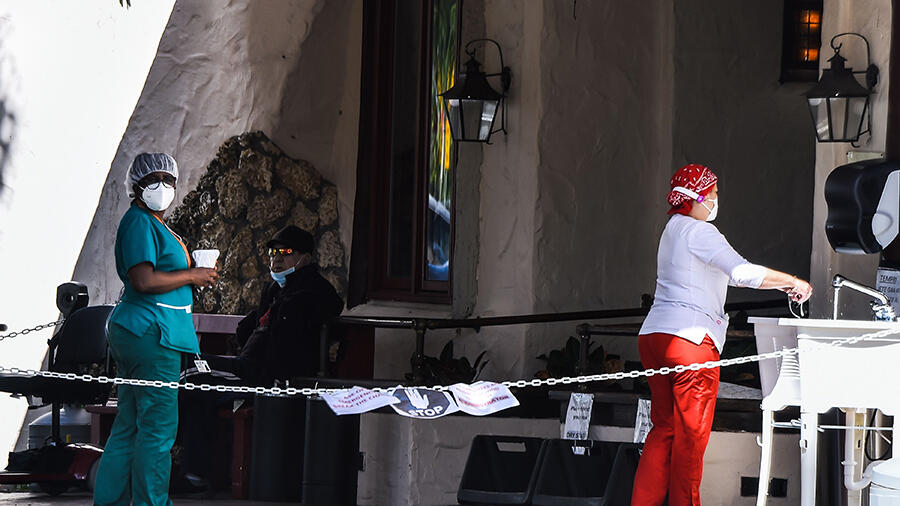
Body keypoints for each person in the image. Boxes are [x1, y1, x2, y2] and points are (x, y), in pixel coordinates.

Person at [631, 164, 813, 506]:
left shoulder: (672, 229)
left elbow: (715, 274)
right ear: (698, 197)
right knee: (691, 439)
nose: (716, 199)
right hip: (690, 341)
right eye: (713, 193)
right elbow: (741, 273)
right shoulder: (701, 232)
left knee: (664, 429)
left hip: (655, 335)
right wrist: (792, 282)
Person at [176, 224, 344, 492]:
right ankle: (192, 473)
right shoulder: (276, 290)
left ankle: (177, 465)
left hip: (267, 376)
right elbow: (248, 330)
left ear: (305, 258)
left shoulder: (314, 291)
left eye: (285, 253)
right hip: (248, 365)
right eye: (273, 253)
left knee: (194, 375)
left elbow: (311, 325)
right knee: (189, 371)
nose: (276, 259)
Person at [94, 153, 219, 506]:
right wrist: (192, 275)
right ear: (136, 186)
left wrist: (194, 276)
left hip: (143, 330)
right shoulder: (139, 223)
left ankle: (111, 501)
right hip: (152, 332)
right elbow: (143, 280)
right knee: (157, 428)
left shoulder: (153, 223)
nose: (162, 186)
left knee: (131, 424)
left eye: (169, 180)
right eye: (153, 179)